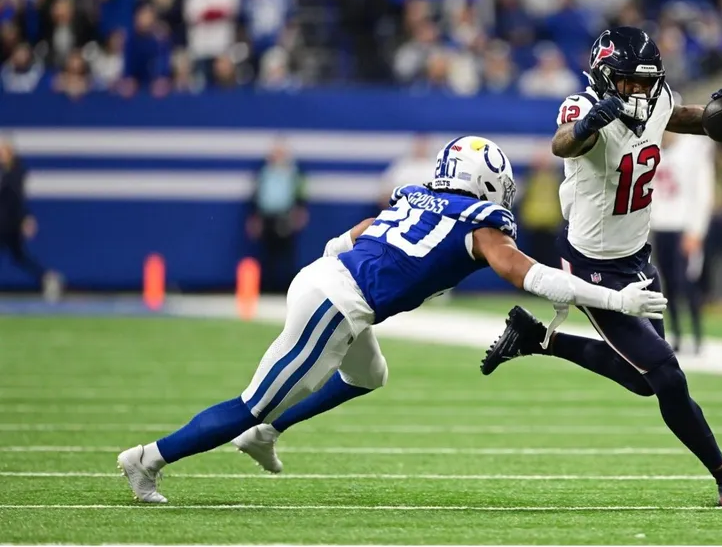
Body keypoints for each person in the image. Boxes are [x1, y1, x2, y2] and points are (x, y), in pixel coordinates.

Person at [117, 135, 667, 503]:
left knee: (368, 375)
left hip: (329, 282)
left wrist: (336, 273)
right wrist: (617, 302)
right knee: (249, 404)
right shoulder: (481, 224)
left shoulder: (416, 197)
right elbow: (534, 277)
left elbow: (352, 236)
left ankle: (267, 433)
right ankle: (147, 459)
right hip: (337, 303)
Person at [479, 27, 722, 508]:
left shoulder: (656, 100)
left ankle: (537, 339)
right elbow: (562, 143)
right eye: (630, 81)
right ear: (605, 77)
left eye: (647, 81)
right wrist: (590, 124)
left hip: (636, 257)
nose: (640, 91)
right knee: (667, 375)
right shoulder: (582, 105)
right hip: (591, 263)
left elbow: (685, 117)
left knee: (641, 379)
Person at [650, 128, 715, 353]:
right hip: (659, 225)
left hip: (684, 227)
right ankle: (676, 334)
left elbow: (703, 193)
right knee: (666, 285)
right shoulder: (651, 145)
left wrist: (696, 230)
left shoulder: (694, 148)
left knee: (687, 283)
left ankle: (696, 335)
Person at [0, 140, 62, 301]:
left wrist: (25, 218)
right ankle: (47, 277)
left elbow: (17, 199)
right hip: (4, 222)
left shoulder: (15, 174)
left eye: (3, 151)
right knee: (20, 256)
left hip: (10, 224)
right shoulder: (4, 172)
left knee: (21, 256)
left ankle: (48, 277)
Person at [246, 139, 308, 293]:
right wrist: (256, 218)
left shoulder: (294, 174)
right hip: (267, 217)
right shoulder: (264, 173)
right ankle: (267, 286)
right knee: (267, 253)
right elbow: (257, 196)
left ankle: (286, 287)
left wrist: (299, 212)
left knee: (286, 254)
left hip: (285, 217)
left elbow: (300, 195)